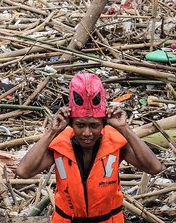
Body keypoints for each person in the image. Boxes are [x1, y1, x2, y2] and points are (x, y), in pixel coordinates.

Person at [16, 73, 164, 222]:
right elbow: (23, 171)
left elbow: (154, 168)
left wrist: (125, 128)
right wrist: (52, 131)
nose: (87, 133)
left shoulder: (116, 144)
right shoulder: (59, 146)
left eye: (94, 125)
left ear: (104, 124)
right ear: (71, 123)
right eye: (80, 125)